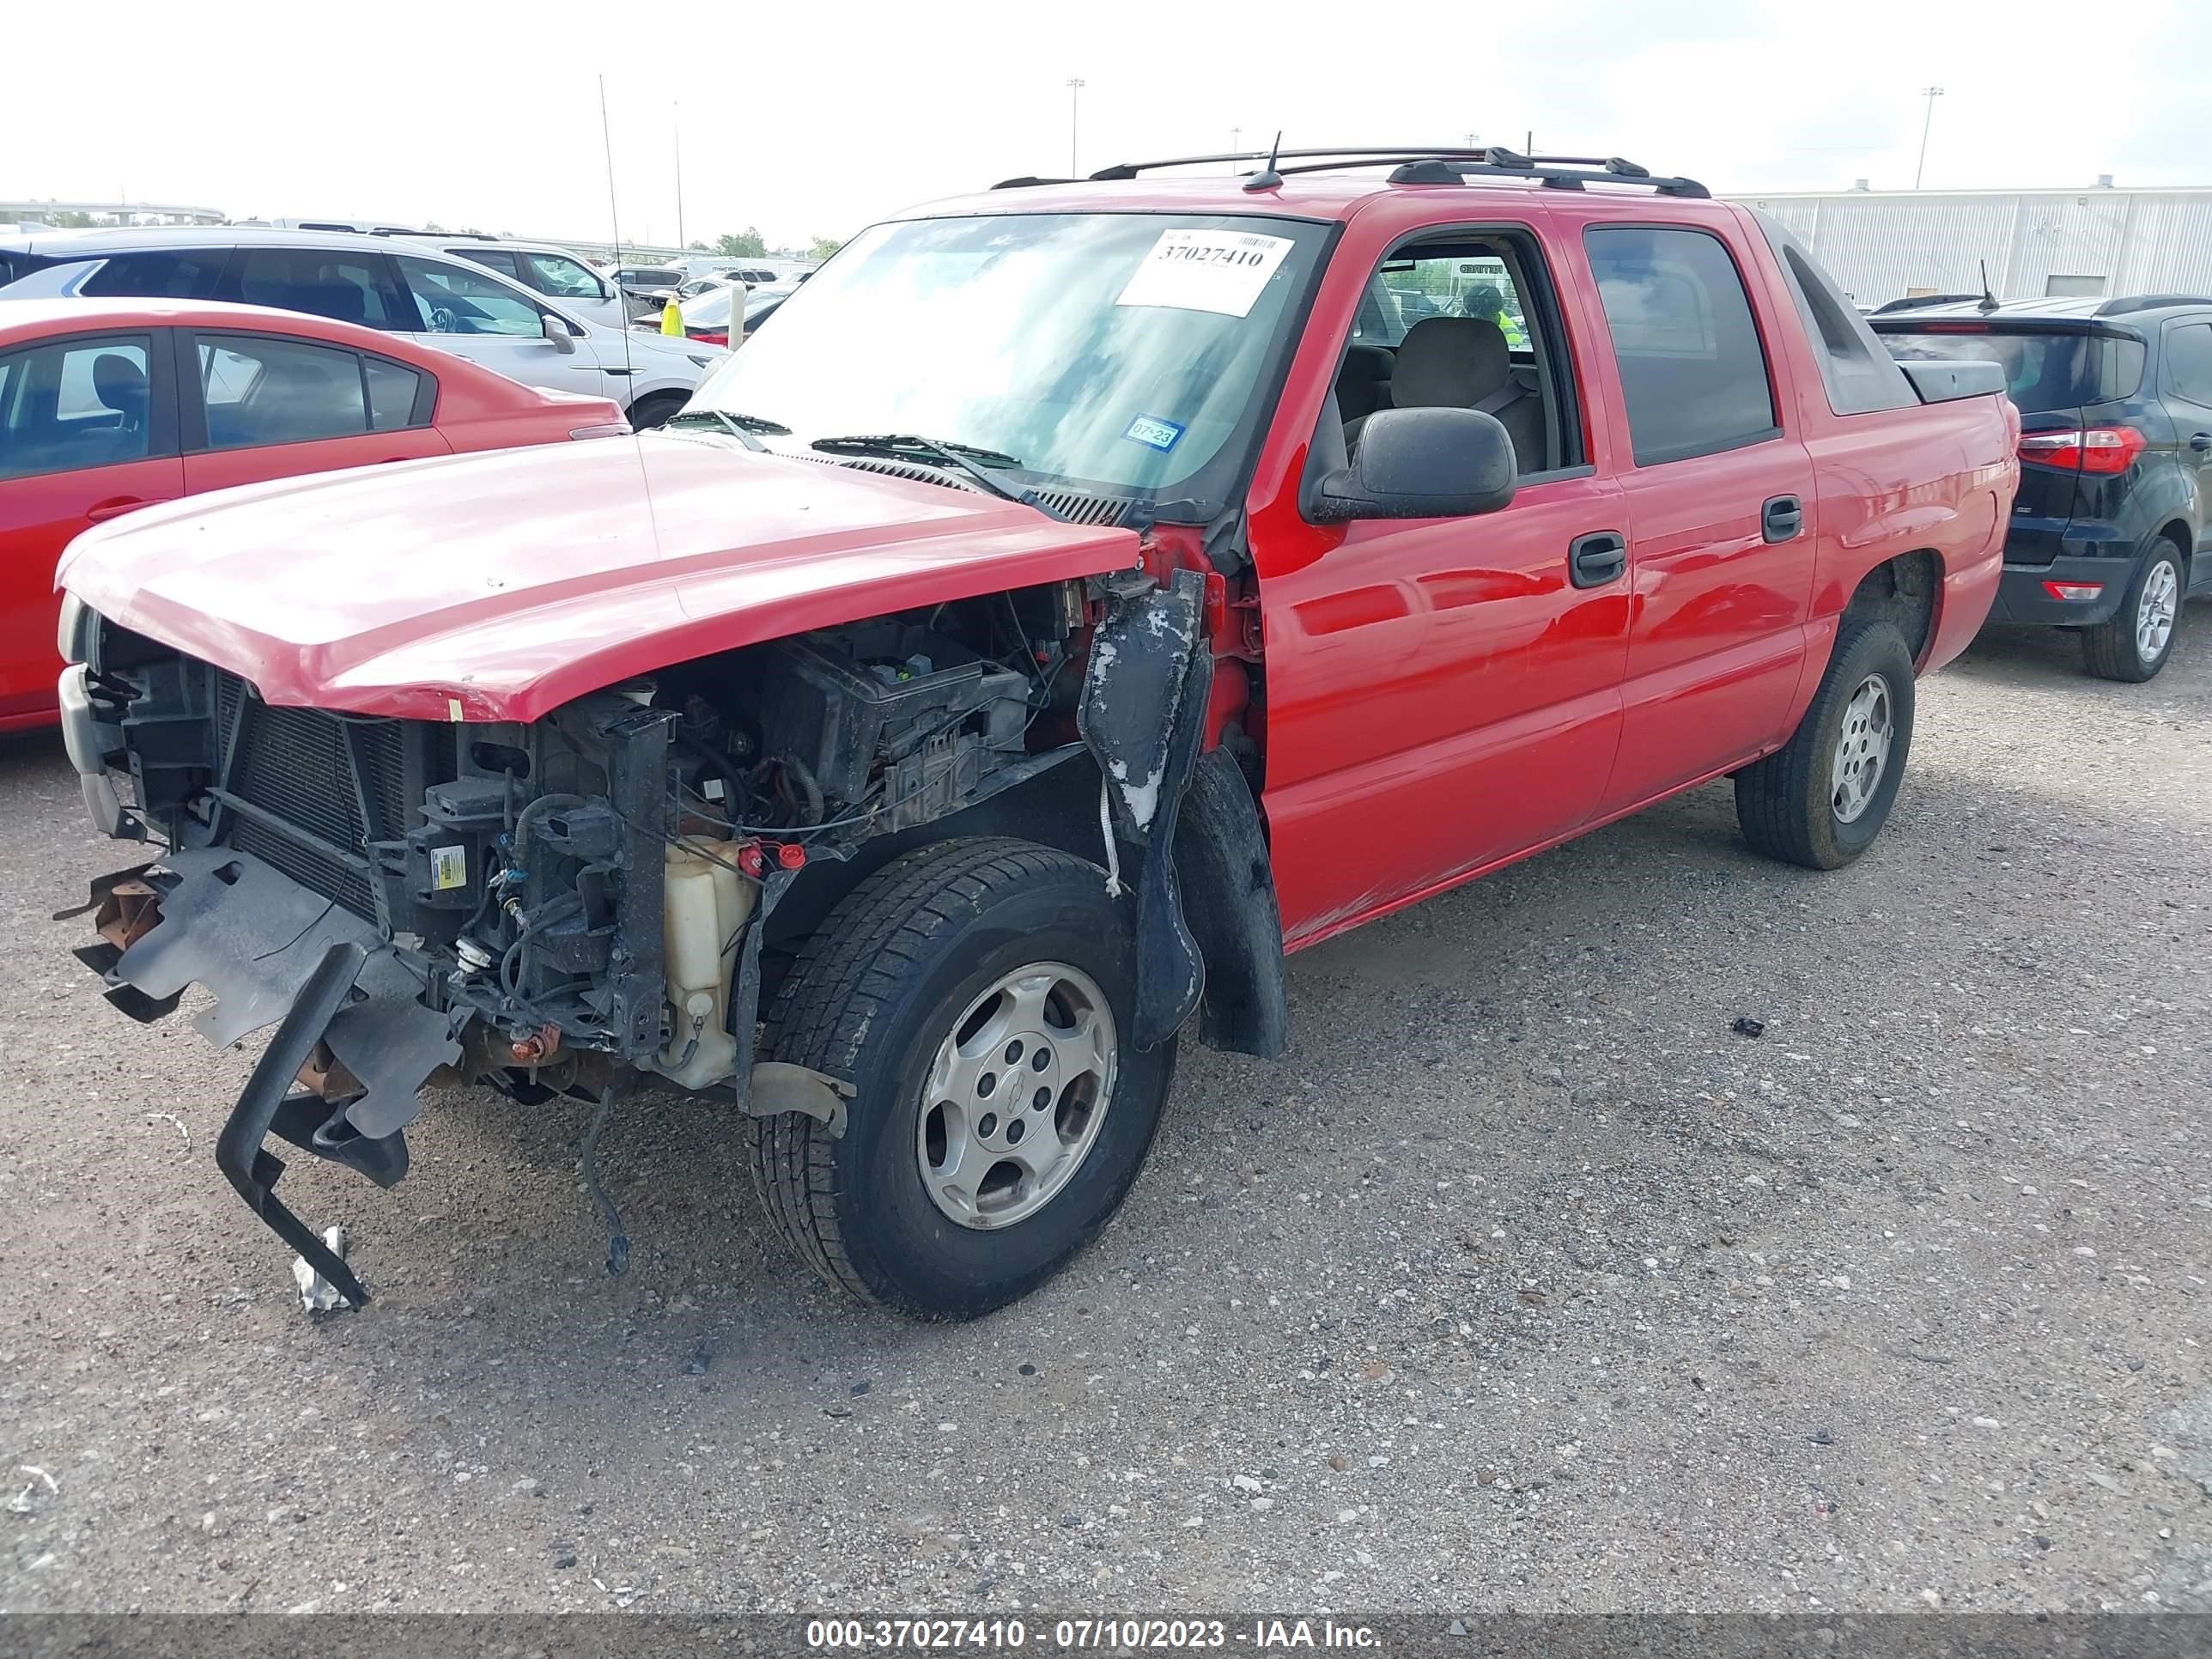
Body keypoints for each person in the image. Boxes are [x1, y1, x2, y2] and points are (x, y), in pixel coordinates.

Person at [1461, 283, 1528, 350]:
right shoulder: (1462, 325)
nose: (1473, 318)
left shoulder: (1511, 336)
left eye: (1479, 315)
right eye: (1470, 314)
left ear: (1493, 312)